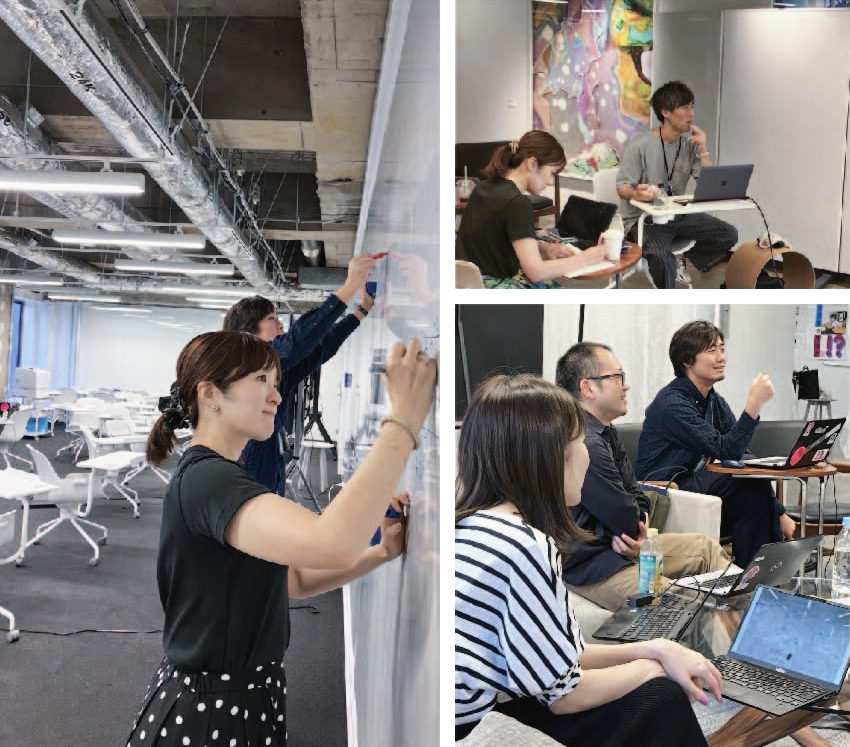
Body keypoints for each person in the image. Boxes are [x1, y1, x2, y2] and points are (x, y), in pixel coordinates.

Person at [126, 330, 436, 747]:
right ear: (210, 394)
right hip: (210, 713)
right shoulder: (209, 479)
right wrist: (404, 420)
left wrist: (382, 552)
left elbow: (295, 579)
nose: (276, 396)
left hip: (235, 700)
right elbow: (332, 541)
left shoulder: (220, 477)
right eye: (260, 380)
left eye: (275, 383)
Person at [455, 373, 721, 746]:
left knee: (657, 693)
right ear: (548, 457)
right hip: (477, 729)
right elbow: (564, 696)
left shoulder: (472, 524)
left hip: (480, 711)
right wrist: (654, 667)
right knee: (660, 694)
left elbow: (563, 656)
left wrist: (657, 648)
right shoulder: (523, 546)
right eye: (580, 442)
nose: (587, 455)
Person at [554, 342, 734, 610]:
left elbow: (637, 494)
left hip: (624, 549)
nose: (626, 386)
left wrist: (637, 522)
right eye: (617, 377)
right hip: (595, 567)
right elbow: (626, 518)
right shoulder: (584, 442)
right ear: (588, 387)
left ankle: (756, 611)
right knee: (682, 602)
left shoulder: (606, 432)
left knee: (705, 549)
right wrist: (632, 525)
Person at [634, 320, 796, 568]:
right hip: (664, 491)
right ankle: (769, 565)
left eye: (722, 349)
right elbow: (727, 450)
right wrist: (753, 406)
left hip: (694, 486)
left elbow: (739, 453)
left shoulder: (712, 400)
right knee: (741, 475)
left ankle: (752, 575)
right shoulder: (672, 403)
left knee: (751, 491)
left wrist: (778, 510)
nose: (721, 358)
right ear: (687, 360)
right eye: (711, 351)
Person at [223, 253, 379, 495]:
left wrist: (360, 312)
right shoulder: (246, 362)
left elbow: (319, 349)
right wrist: (349, 287)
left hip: (266, 472)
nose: (280, 325)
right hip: (247, 479)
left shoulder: (273, 374)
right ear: (249, 331)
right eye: (272, 319)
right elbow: (296, 344)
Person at [616, 81, 738, 289]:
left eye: (692, 106)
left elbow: (709, 186)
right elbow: (622, 188)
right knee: (661, 255)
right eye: (684, 107)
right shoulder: (639, 145)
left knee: (728, 234)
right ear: (665, 112)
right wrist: (639, 194)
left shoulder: (689, 145)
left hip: (677, 215)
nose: (691, 113)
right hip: (644, 220)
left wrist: (703, 150)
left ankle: (683, 260)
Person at [456, 130, 608, 288]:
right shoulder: (517, 203)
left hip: (468, 283)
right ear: (532, 164)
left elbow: (495, 241)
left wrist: (543, 248)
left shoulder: (483, 187)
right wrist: (584, 259)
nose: (550, 181)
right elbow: (536, 272)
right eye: (551, 173)